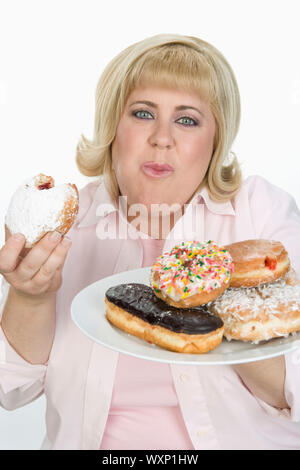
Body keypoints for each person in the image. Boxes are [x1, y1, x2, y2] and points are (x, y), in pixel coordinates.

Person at [0, 33, 300, 451]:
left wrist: (214, 296)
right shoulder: (66, 223)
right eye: (142, 113)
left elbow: (294, 391)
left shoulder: (259, 217)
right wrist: (29, 297)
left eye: (187, 119)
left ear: (215, 141)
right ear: (112, 128)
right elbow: (11, 390)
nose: (162, 137)